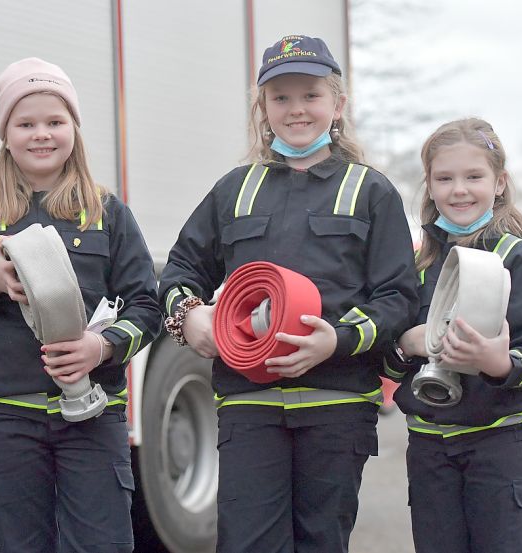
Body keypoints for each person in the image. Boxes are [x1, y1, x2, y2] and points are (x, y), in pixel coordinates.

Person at [159, 35, 419, 552]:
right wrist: (190, 318)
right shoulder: (234, 190)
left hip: (337, 404)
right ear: (263, 107)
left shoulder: (370, 191)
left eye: (310, 95)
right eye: (281, 97)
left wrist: (337, 342)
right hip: (248, 404)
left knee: (322, 541)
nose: (296, 109)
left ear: (337, 104)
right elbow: (177, 273)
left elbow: (399, 298)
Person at [0, 57, 161, 553]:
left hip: (94, 419)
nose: (41, 134)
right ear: (5, 134)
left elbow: (147, 308)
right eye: (25, 123)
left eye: (55, 122)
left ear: (74, 127)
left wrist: (102, 348)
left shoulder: (107, 212)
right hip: (7, 422)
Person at [385, 117, 522, 553]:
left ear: (499, 183)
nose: (459, 189)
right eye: (445, 178)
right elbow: (386, 361)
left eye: (473, 177)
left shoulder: (521, 261)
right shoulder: (415, 266)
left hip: (503, 446)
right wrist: (407, 345)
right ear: (430, 186)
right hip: (429, 449)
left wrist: (496, 362)